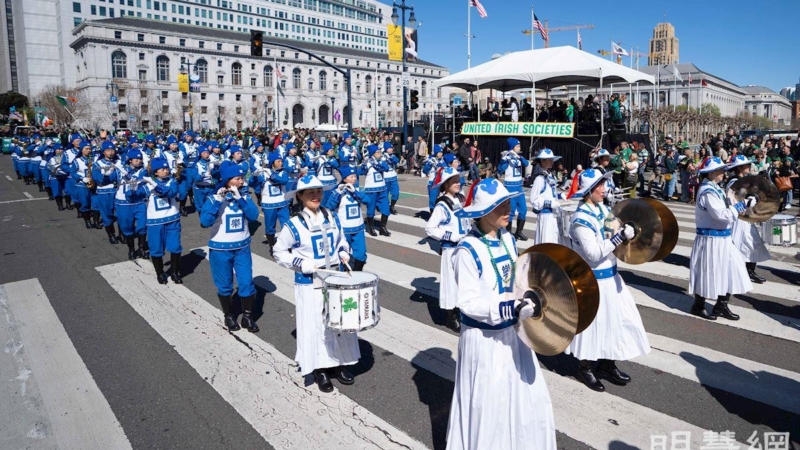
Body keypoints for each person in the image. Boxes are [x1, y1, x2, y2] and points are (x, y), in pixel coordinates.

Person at [447, 177, 556, 450]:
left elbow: (516, 279)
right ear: (483, 211)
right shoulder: (466, 250)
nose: (509, 208)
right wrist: (509, 308)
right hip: (484, 341)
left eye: (508, 202)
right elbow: (468, 304)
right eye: (500, 205)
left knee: (525, 398)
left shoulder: (508, 238)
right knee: (490, 406)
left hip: (514, 334)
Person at [566, 168, 651, 392]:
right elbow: (593, 253)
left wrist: (628, 232)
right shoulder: (580, 220)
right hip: (593, 281)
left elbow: (615, 240)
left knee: (616, 322)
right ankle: (585, 367)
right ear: (588, 191)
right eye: (599, 186)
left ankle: (606, 363)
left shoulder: (603, 209)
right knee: (593, 326)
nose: (604, 189)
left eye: (604, 184)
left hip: (611, 276)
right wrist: (619, 235)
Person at [273, 175, 359, 393]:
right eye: (310, 192)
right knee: (316, 325)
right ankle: (320, 368)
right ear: (300, 196)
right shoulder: (293, 224)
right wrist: (302, 263)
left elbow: (341, 241)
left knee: (339, 322)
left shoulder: (332, 216)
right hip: (309, 282)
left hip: (335, 279)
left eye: (318, 191)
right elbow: (279, 252)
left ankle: (339, 363)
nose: (315, 195)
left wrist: (343, 252)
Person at [688, 157, 753, 320]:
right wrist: (743, 204)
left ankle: (721, 305)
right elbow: (721, 215)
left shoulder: (714, 188)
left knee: (733, 269)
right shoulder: (708, 191)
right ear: (711, 173)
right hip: (710, 239)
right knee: (707, 272)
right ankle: (698, 306)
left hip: (722, 238)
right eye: (721, 170)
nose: (724, 173)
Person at [200, 162, 261, 333]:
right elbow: (205, 222)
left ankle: (248, 317)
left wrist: (240, 198)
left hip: (242, 247)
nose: (241, 182)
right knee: (225, 284)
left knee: (246, 282)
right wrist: (218, 200)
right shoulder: (213, 199)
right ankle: (229, 316)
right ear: (227, 181)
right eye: (237, 179)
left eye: (242, 178)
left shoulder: (245, 197)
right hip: (220, 249)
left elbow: (254, 215)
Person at [425, 167, 471, 332]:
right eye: (454, 181)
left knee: (463, 281)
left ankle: (461, 311)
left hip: (463, 248)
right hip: (451, 249)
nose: (458, 183)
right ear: (445, 184)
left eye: (458, 180)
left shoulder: (460, 198)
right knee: (450, 283)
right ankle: (450, 317)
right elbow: (430, 228)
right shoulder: (442, 204)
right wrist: (451, 236)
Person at [136, 157, 184, 285]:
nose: (165, 171)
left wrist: (155, 185)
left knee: (175, 247)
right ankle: (160, 273)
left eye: (166, 168)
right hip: (155, 223)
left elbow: (171, 193)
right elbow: (135, 196)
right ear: (155, 172)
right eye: (162, 169)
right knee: (156, 249)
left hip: (172, 220)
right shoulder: (148, 184)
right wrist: (132, 187)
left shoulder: (172, 181)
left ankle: (174, 272)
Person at [726, 155, 770, 284]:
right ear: (739, 167)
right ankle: (738, 271)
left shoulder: (742, 180)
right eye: (747, 165)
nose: (749, 167)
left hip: (745, 216)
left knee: (752, 242)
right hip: (738, 218)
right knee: (739, 244)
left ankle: (749, 271)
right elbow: (736, 200)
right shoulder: (734, 182)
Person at [325, 165, 368, 271]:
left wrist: (355, 192)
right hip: (344, 229)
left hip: (358, 228)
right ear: (344, 179)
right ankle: (342, 276)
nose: (354, 179)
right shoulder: (337, 190)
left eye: (355, 176)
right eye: (351, 176)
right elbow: (329, 207)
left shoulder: (357, 190)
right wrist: (338, 193)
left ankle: (358, 273)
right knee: (343, 254)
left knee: (361, 254)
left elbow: (368, 201)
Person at [116, 149, 149, 260]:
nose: (139, 161)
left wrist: (127, 175)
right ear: (130, 160)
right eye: (136, 159)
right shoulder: (120, 169)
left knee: (142, 226)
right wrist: (109, 172)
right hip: (123, 203)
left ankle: (141, 249)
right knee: (127, 227)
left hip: (138, 201)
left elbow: (138, 181)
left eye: (140, 159)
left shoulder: (143, 171)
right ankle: (131, 249)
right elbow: (109, 179)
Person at [258, 151, 291, 258]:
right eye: (278, 161)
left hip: (283, 203)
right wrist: (256, 175)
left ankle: (287, 245)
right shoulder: (264, 173)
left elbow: (284, 181)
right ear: (272, 163)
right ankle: (272, 246)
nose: (281, 163)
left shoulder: (283, 172)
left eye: (281, 161)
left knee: (286, 225)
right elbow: (254, 184)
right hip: (269, 205)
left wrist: (271, 175)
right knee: (270, 227)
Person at [497, 138, 530, 241]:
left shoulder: (518, 157)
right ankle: (508, 233)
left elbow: (526, 164)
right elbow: (500, 170)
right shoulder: (506, 157)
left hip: (519, 187)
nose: (519, 148)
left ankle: (519, 232)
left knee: (523, 210)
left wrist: (519, 157)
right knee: (510, 212)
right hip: (510, 188)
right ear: (512, 147)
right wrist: (504, 160)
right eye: (517, 146)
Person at [528, 148, 562, 245]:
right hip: (545, 215)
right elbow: (534, 199)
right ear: (542, 161)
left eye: (552, 159)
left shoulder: (549, 175)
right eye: (549, 159)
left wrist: (560, 196)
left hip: (553, 214)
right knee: (546, 242)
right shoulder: (539, 178)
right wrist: (551, 203)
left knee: (553, 240)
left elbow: (550, 193)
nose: (551, 161)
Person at [360, 144, 391, 236]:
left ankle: (383, 228)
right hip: (371, 190)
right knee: (371, 209)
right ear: (373, 154)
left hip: (382, 189)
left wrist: (379, 163)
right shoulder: (368, 163)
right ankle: (371, 228)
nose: (379, 154)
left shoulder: (381, 161)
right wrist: (364, 165)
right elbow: (360, 172)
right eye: (377, 152)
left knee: (386, 208)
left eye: (379, 152)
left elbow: (386, 168)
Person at [423, 145, 445, 212]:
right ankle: (432, 215)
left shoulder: (443, 160)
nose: (441, 154)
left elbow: (445, 167)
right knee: (432, 200)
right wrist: (429, 164)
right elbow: (425, 171)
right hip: (432, 183)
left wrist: (438, 164)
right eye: (439, 152)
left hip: (442, 183)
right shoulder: (431, 160)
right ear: (436, 153)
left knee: (442, 200)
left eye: (441, 152)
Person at [382, 141, 400, 214]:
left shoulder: (393, 156)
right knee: (385, 195)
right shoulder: (382, 156)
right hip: (385, 178)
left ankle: (392, 206)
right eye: (389, 148)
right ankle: (385, 207)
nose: (391, 149)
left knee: (396, 193)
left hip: (393, 177)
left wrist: (391, 157)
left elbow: (396, 161)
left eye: (391, 148)